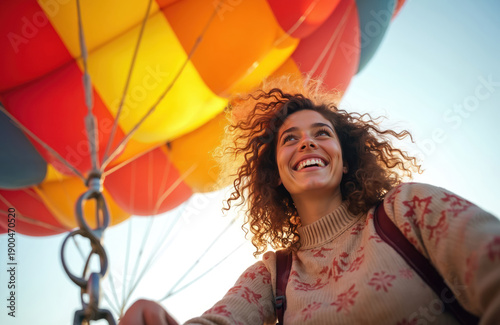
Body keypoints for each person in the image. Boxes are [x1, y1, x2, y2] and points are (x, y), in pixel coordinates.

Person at [119, 77, 500, 324]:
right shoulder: (272, 276)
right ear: (276, 174)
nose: (306, 142)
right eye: (290, 139)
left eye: (321, 133)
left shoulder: (409, 208)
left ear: (346, 157)